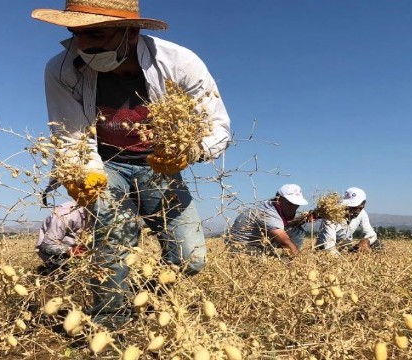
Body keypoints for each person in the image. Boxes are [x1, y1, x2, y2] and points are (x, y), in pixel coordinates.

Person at [32, 0, 231, 328]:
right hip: (106, 165)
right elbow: (69, 134)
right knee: (114, 244)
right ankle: (111, 323)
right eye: (76, 33)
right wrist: (82, 172)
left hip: (160, 169)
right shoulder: (63, 69)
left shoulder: (180, 64)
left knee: (189, 258)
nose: (83, 44)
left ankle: (145, 299)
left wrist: (191, 151)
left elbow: (216, 126)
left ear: (132, 33)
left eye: (95, 33)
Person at [228, 184, 310, 256]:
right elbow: (285, 242)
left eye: (296, 204)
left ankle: (287, 259)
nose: (294, 207)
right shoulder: (268, 213)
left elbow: (287, 222)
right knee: (268, 263)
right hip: (241, 247)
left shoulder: (273, 206)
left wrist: (306, 219)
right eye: (290, 203)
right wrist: (299, 261)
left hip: (258, 242)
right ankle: (290, 261)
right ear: (278, 200)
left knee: (297, 230)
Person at [315, 187, 381, 255]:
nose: (356, 211)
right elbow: (329, 245)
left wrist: (366, 240)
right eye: (352, 207)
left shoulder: (362, 214)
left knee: (376, 244)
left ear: (364, 204)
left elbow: (371, 233)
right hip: (324, 247)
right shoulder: (331, 216)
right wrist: (343, 260)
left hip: (344, 246)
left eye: (360, 208)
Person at [35, 201, 88, 273]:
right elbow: (46, 247)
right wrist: (71, 251)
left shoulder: (99, 216)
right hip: (55, 256)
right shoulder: (65, 215)